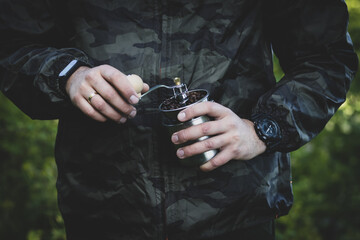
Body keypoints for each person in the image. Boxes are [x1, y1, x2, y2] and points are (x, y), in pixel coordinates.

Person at [0, 0, 358, 239]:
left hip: (235, 215)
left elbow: (326, 58)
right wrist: (68, 75)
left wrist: (261, 129)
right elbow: (13, 42)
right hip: (103, 210)